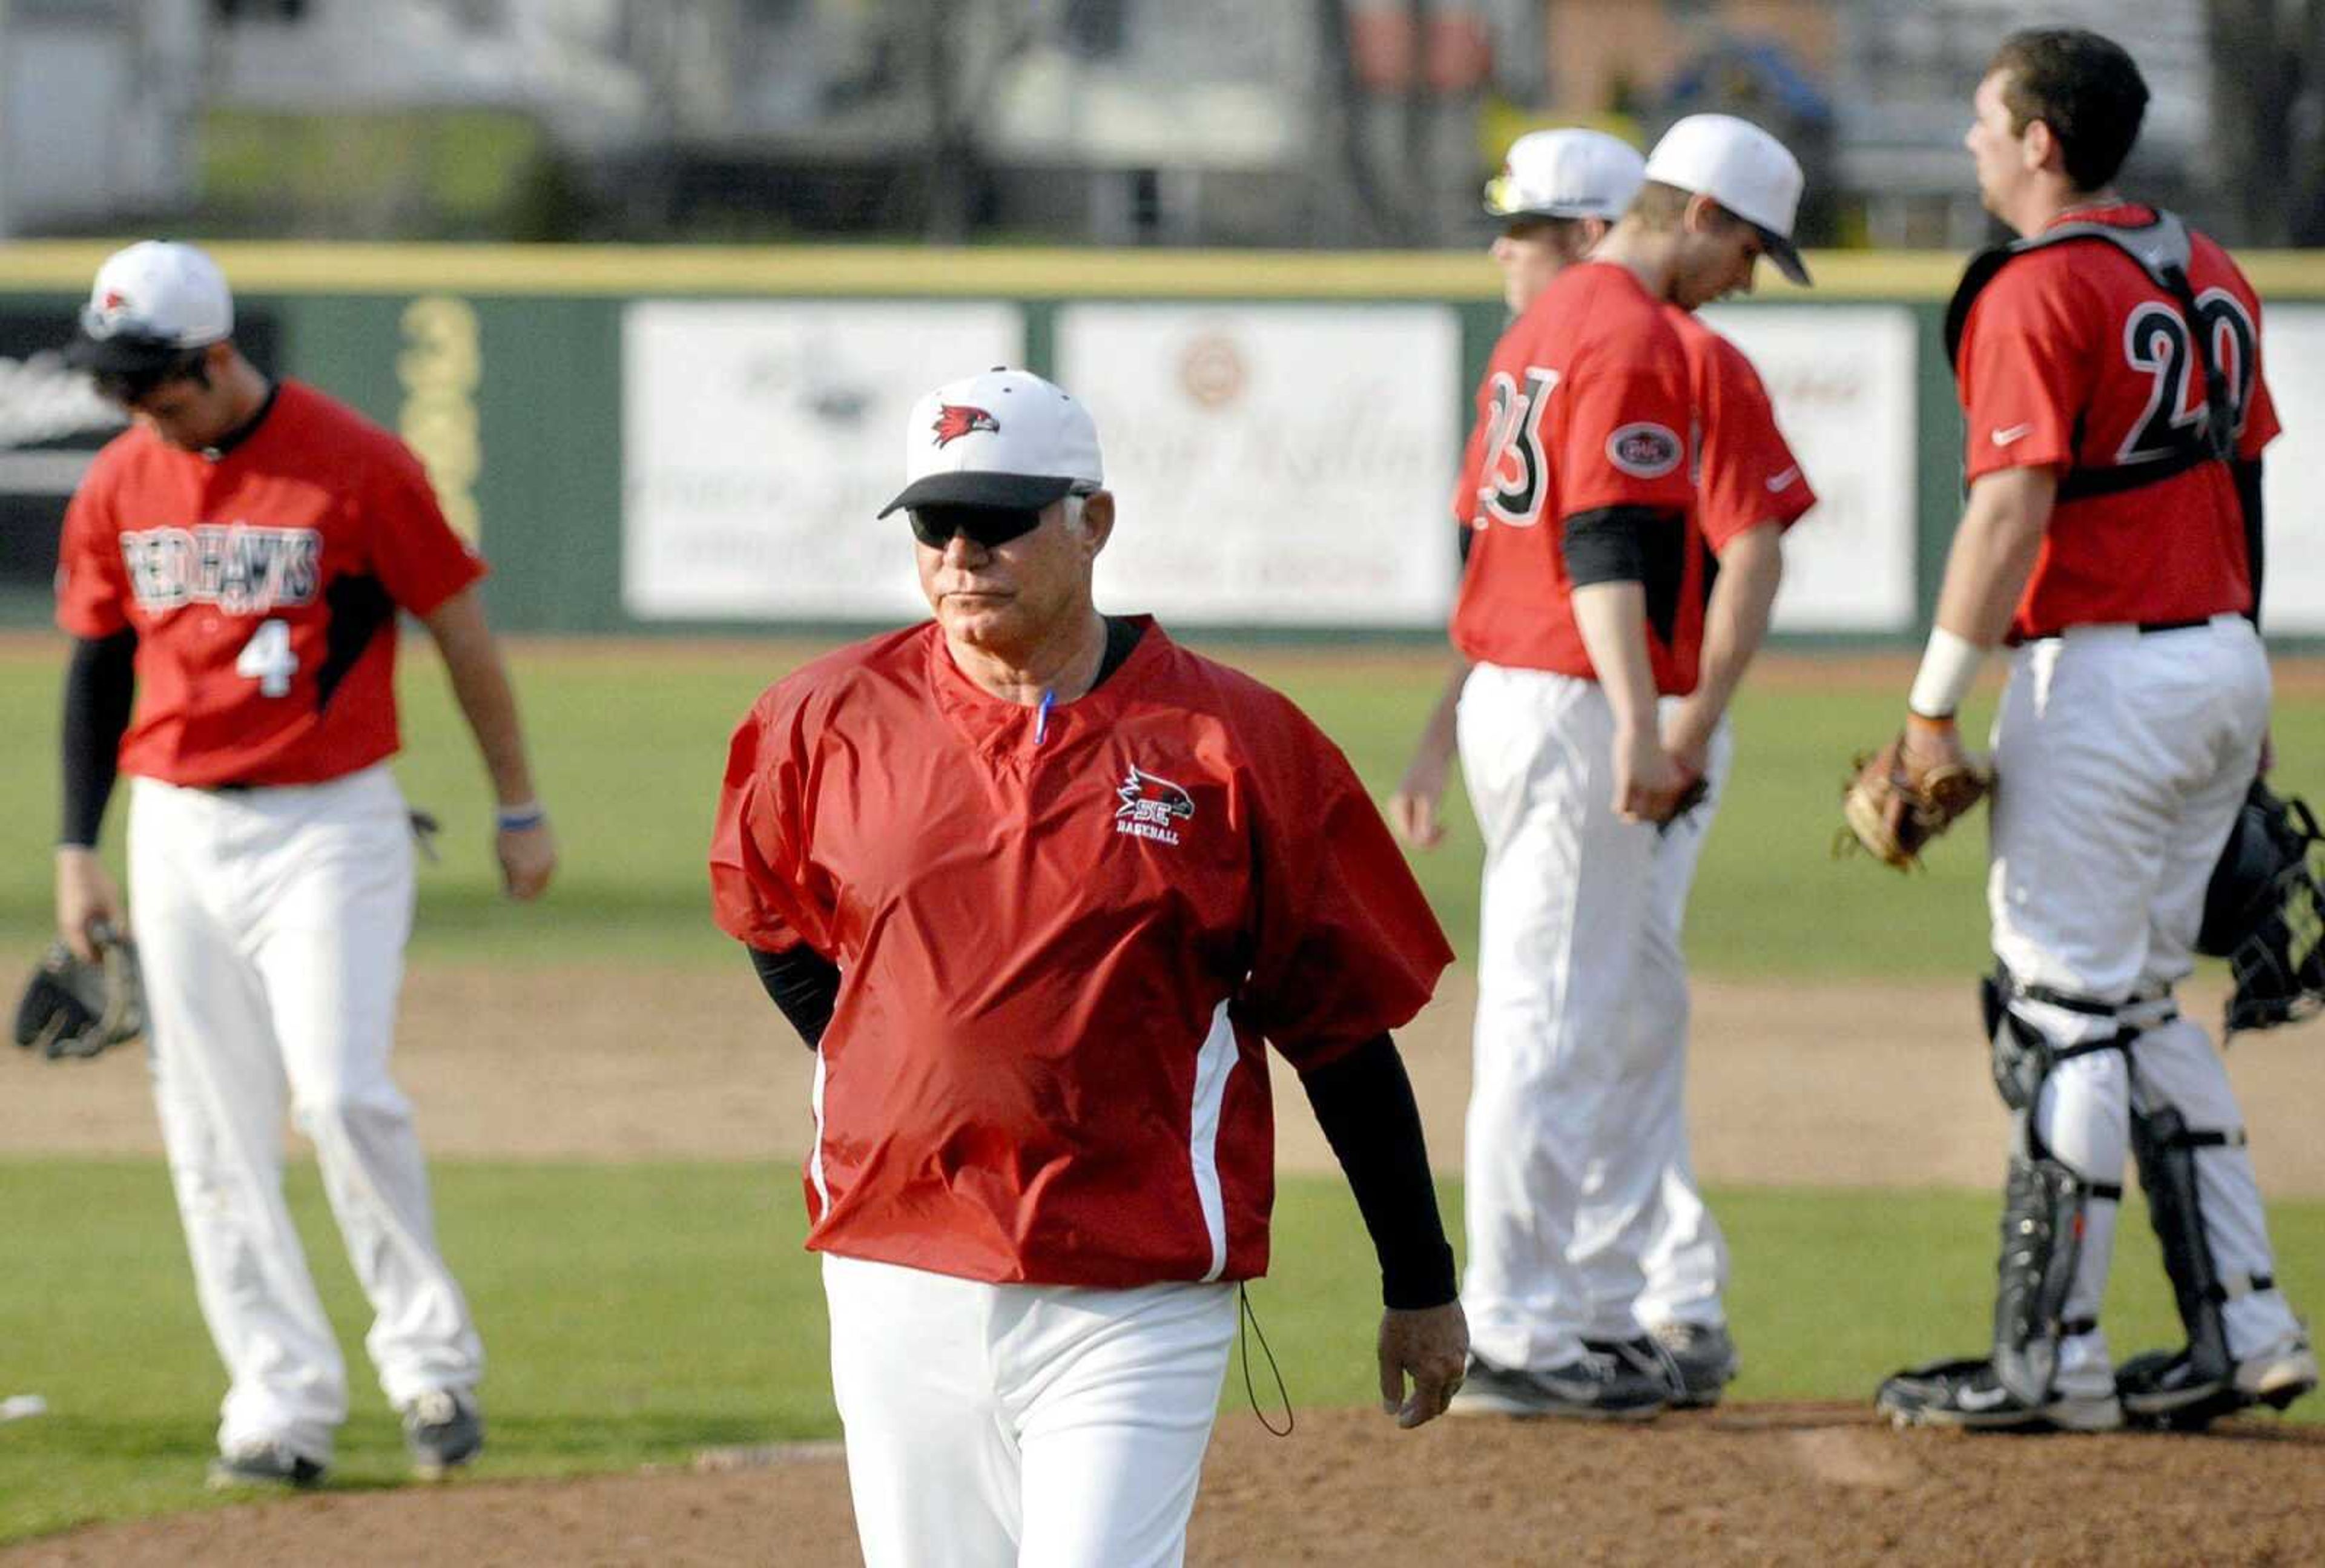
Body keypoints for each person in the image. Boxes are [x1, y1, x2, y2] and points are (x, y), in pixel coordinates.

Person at [710, 366, 1467, 1567]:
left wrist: (1418, 1276)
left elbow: (1340, 1029)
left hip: (1138, 1272)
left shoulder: (1239, 744)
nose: (964, 553)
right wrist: (894, 1060)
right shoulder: (822, 719)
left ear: (1092, 522)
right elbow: (773, 922)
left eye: (1001, 519)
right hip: (899, 1260)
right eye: (934, 524)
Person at [50, 240, 558, 1486]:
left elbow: (460, 631)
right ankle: (279, 1403)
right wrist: (78, 845)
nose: (131, 405)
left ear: (217, 356)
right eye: (116, 384)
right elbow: (97, 666)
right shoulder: (120, 479)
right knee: (211, 1128)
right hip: (175, 824)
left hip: (332, 820)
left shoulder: (360, 464)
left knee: (337, 1093)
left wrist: (517, 804)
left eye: (150, 381)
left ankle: (430, 1364)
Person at [1872, 28, 2317, 1432]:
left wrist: (1930, 713)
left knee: (2056, 1008)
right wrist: (2246, 698)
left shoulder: (2038, 286)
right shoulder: (2207, 266)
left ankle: (2048, 1356)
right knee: (2135, 998)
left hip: (2109, 669)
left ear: (2042, 140)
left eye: (1985, 118)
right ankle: (2245, 1327)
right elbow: (2242, 484)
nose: (1971, 142)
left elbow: (2009, 512)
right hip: (2221, 655)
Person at [1399, 116, 1814, 1422]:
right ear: (1695, 212)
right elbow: (1602, 542)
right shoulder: (1629, 328)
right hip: (1574, 695)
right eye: (1746, 245)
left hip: (1529, 691)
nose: (1747, 275)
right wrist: (1645, 718)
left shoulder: (1549, 317)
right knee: (1551, 1016)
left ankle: (1578, 1307)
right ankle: (1520, 1322)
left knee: (1599, 1004)